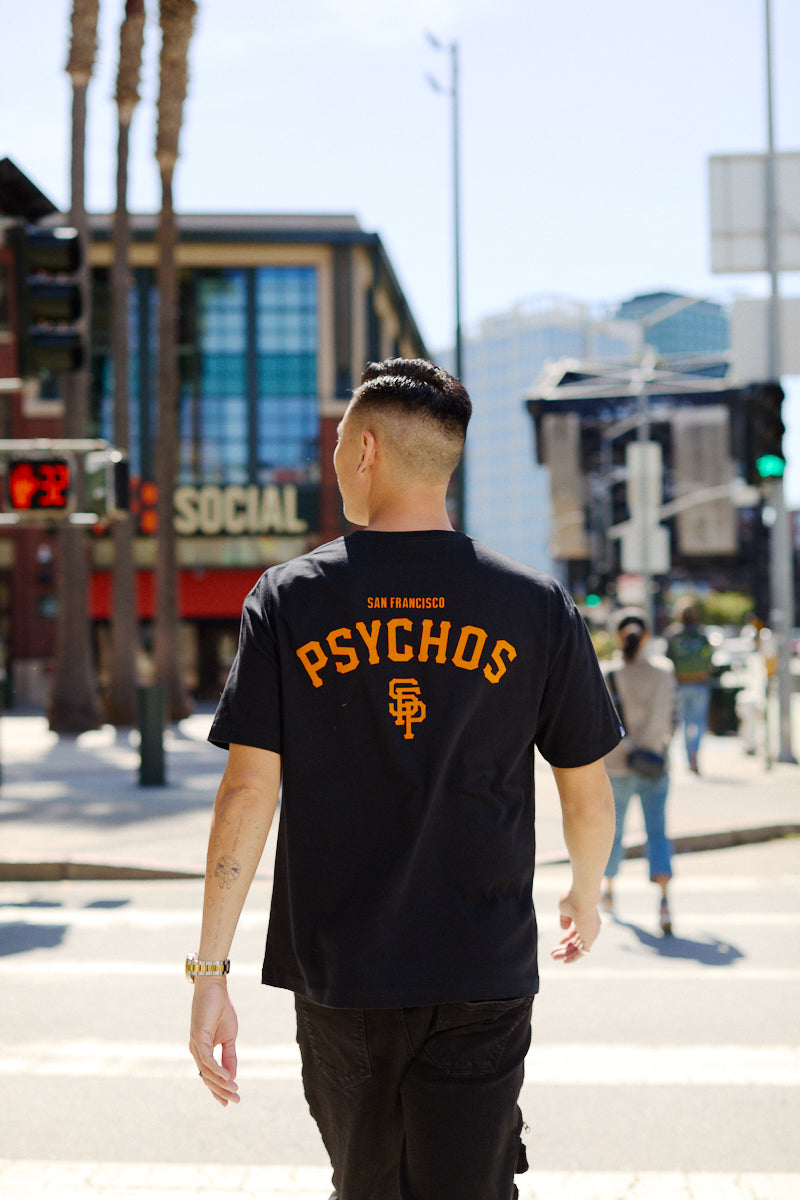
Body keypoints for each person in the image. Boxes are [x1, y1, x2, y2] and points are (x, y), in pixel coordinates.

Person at [188, 358, 621, 1200]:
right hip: (482, 966)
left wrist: (212, 974)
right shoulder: (536, 606)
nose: (334, 462)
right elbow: (587, 791)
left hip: (342, 969)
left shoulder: (290, 599)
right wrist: (586, 893)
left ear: (366, 451)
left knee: (365, 1186)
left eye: (338, 444)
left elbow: (247, 792)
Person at [601, 610, 677, 935]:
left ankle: (608, 890)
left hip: (617, 764)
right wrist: (657, 746)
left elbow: (603, 721)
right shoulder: (663, 671)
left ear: (618, 636)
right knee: (657, 833)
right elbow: (670, 715)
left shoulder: (608, 673)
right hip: (655, 762)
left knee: (613, 832)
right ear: (646, 636)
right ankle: (664, 900)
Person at [665, 599, 714, 773]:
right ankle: (695, 751)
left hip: (680, 683)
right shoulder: (701, 635)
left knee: (685, 723)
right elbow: (709, 657)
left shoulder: (673, 635)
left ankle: (688, 756)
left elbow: (668, 661)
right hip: (700, 682)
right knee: (698, 722)